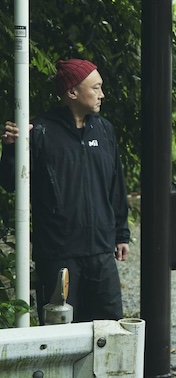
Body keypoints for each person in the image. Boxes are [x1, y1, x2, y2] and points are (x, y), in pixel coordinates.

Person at [0, 59, 130, 323]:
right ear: (72, 92)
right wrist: (12, 149)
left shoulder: (104, 130)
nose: (102, 94)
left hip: (101, 251)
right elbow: (11, 182)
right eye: (96, 88)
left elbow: (116, 185)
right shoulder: (39, 131)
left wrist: (121, 234)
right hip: (59, 254)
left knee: (109, 328)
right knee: (60, 329)